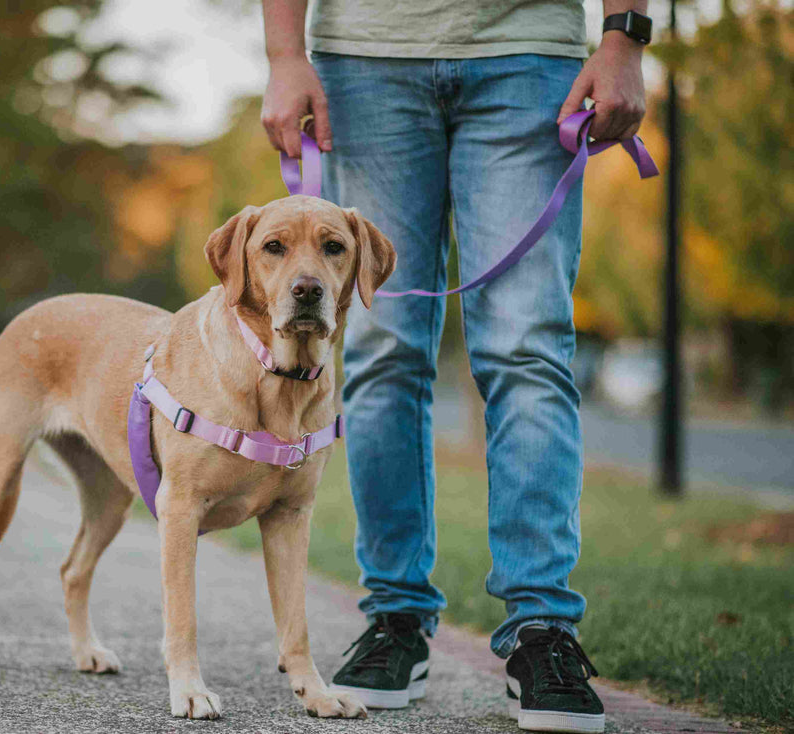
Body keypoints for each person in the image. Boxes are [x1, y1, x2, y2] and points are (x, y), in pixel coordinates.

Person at [260, 1, 650, 731]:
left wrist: (625, 34)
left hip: (530, 53)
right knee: (381, 351)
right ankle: (395, 619)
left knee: (528, 348)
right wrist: (284, 53)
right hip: (365, 60)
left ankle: (543, 630)